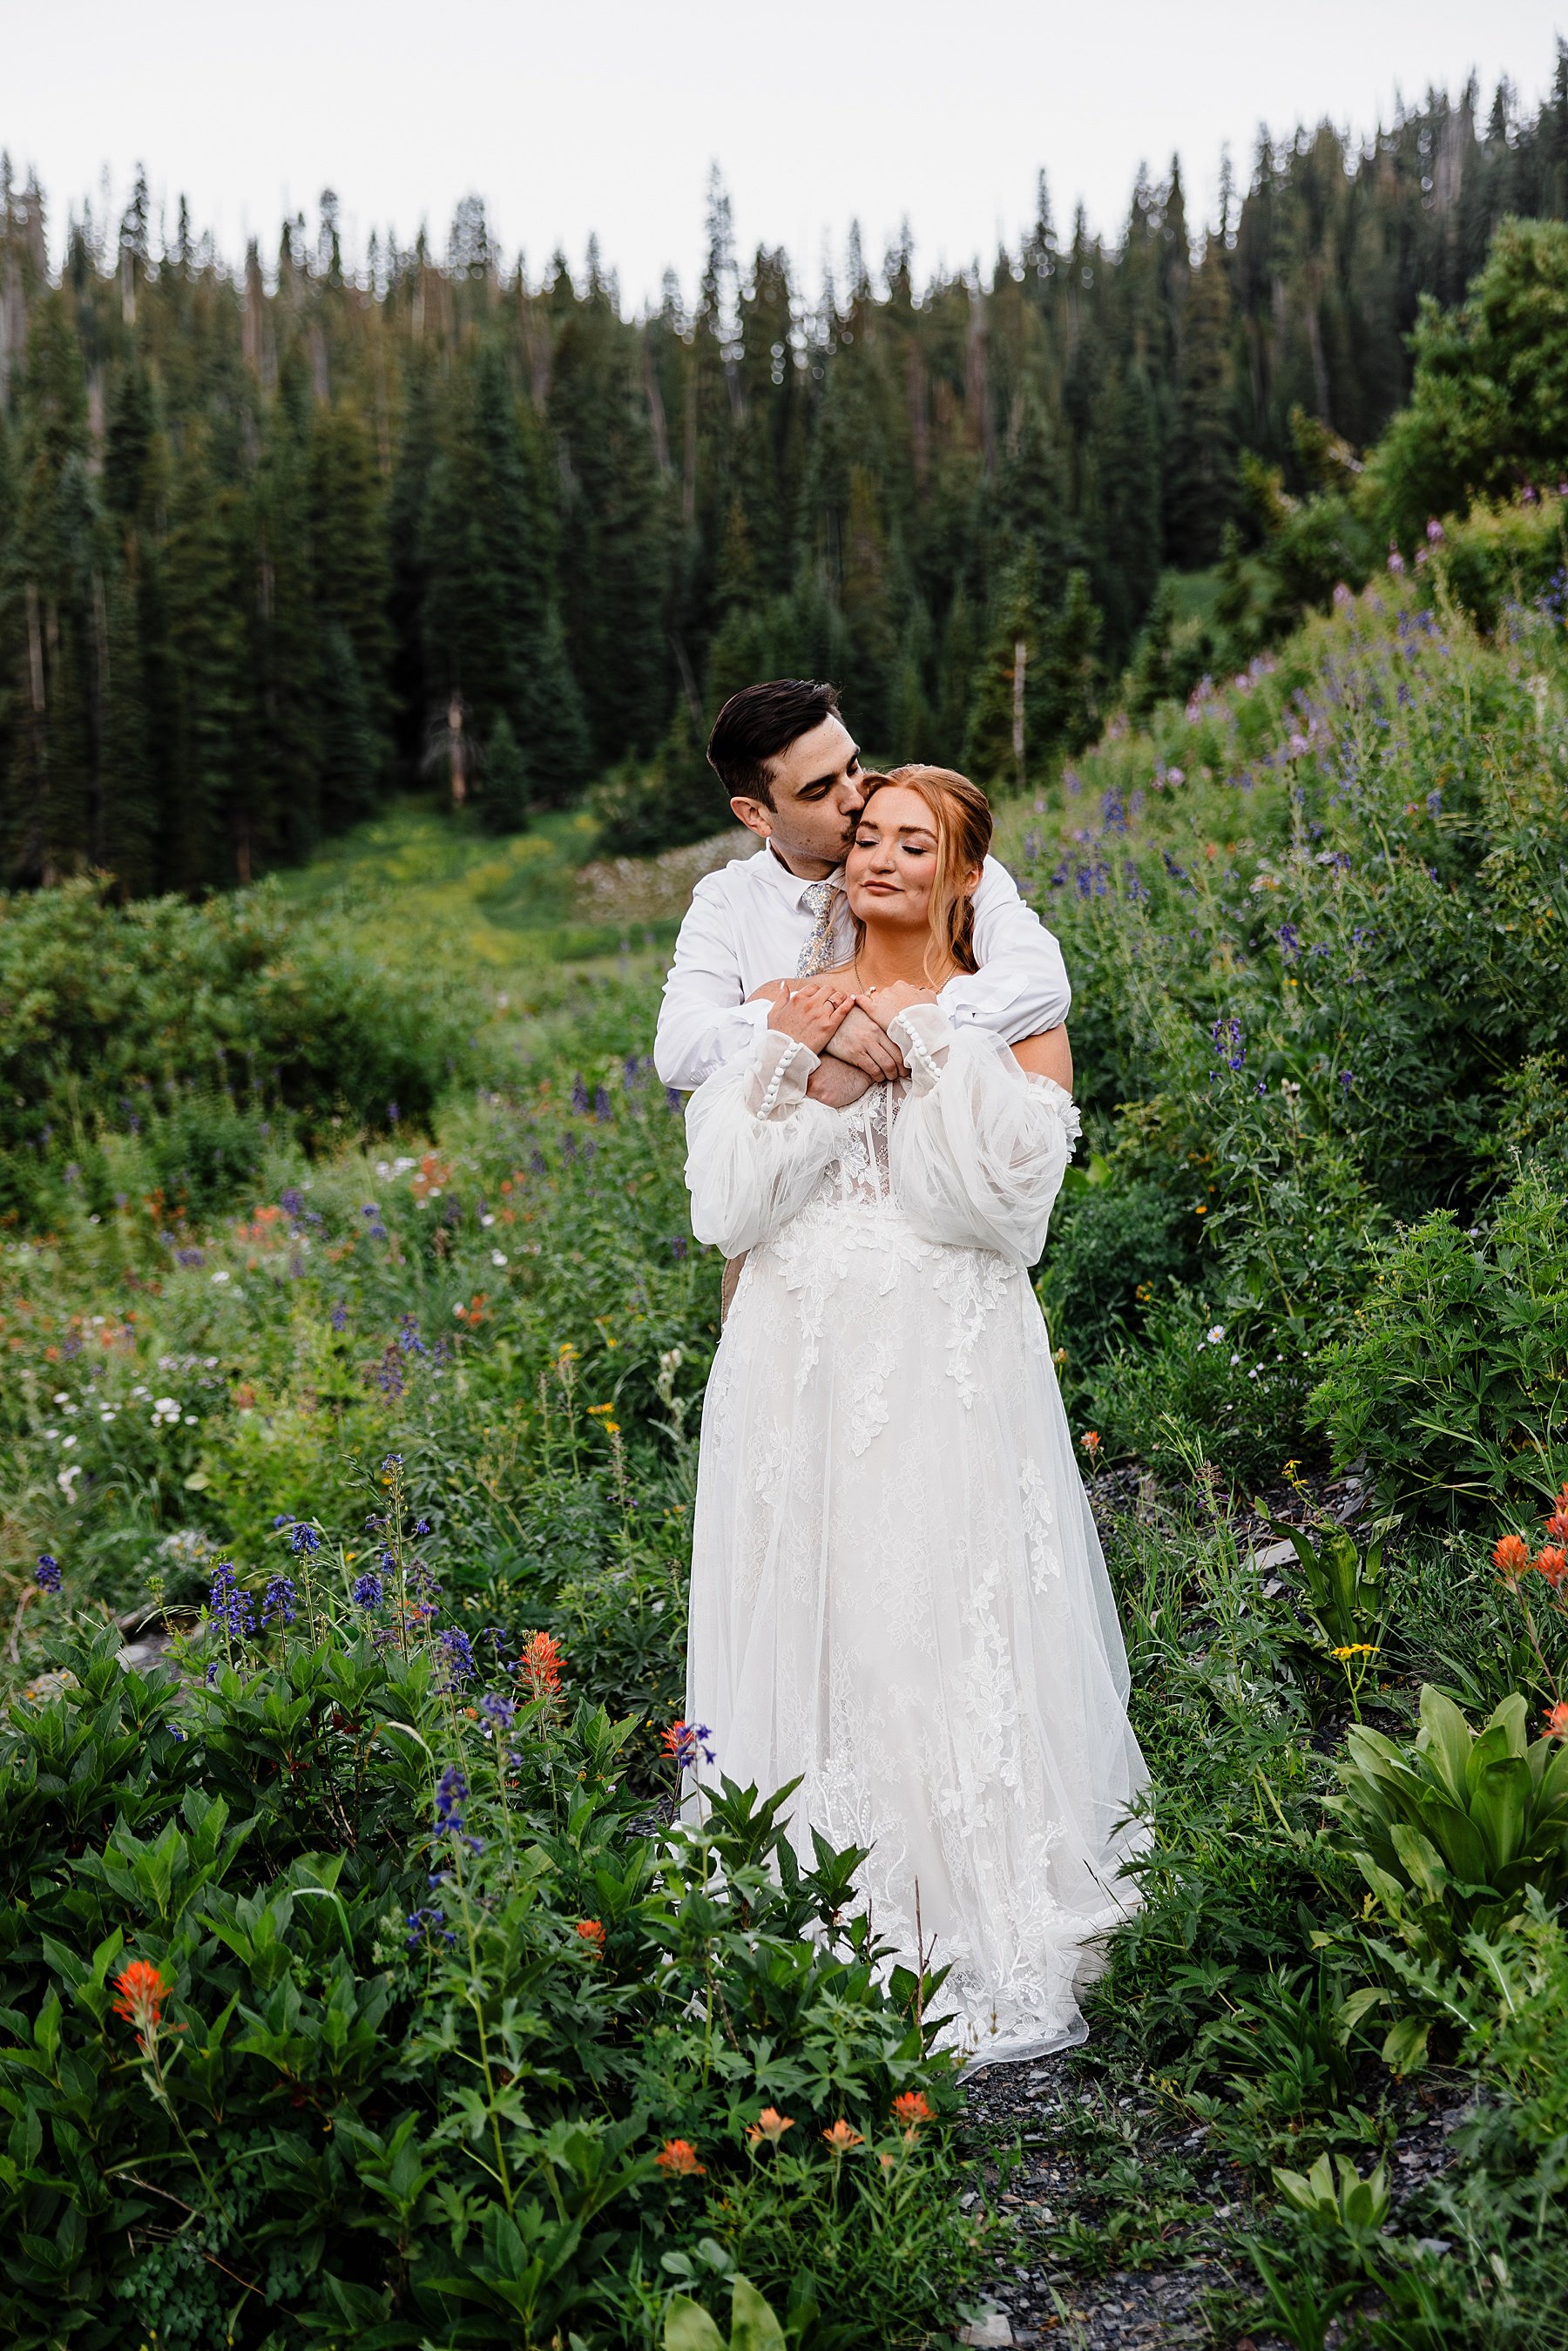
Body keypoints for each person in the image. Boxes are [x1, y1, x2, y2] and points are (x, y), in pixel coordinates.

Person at [679, 763, 1148, 2071]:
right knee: (816, 1611)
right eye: (868, 835)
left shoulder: (1009, 1012)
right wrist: (821, 1073)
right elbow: (726, 1200)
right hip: (796, 1351)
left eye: (917, 841)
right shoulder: (785, 1000)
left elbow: (1005, 1210)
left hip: (942, 1351)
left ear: (962, 870)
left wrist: (931, 1043)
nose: (882, 857)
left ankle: (963, 1899)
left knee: (931, 1613)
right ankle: (816, 1902)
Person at [652, 678, 1070, 1104]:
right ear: (756, 815)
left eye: (852, 767)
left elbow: (1040, 981)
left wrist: (905, 1023)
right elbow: (680, 1048)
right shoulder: (726, 901)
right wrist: (812, 1026)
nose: (854, 797)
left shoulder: (938, 867)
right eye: (818, 790)